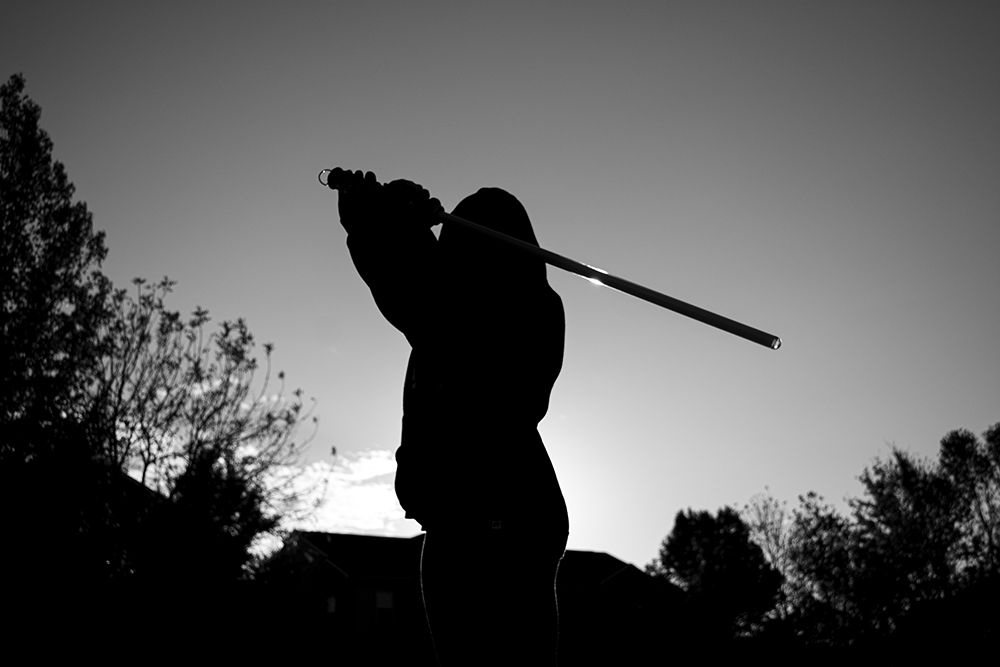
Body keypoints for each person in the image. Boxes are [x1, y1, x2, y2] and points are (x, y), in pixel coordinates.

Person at [332, 169, 569, 665]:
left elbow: (423, 294)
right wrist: (383, 224)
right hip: (465, 521)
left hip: (500, 525)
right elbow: (415, 287)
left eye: (461, 243)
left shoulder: (519, 311)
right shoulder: (449, 311)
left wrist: (396, 229)